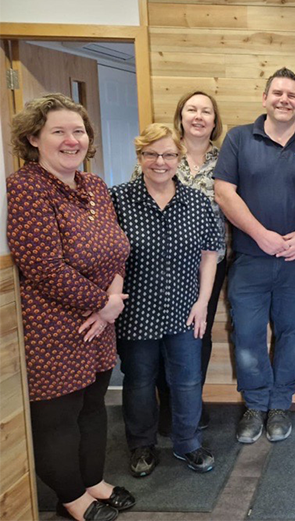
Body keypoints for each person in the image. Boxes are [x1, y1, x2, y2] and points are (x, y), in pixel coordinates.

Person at [7, 94, 134, 521]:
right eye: (58, 131)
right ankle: (71, 497)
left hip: (101, 321)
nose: (71, 140)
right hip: (55, 325)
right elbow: (43, 266)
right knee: (58, 416)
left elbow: (118, 248)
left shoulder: (94, 186)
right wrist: (104, 304)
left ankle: (93, 480)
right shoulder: (25, 188)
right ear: (33, 138)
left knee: (93, 406)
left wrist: (110, 303)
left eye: (77, 131)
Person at [215, 67, 295, 443]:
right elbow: (224, 193)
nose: (284, 100)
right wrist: (260, 234)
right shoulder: (238, 139)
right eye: (277, 93)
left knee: (291, 333)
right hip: (249, 259)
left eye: (292, 95)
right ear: (264, 98)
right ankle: (254, 405)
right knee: (247, 335)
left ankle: (280, 404)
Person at [111, 125, 221, 477]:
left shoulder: (197, 202)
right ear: (140, 157)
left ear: (179, 158)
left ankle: (187, 443)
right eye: (152, 154)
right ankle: (142, 445)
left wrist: (203, 302)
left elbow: (209, 255)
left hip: (185, 308)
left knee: (187, 380)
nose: (160, 162)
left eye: (169, 154)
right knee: (139, 380)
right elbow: (109, 255)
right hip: (136, 309)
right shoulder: (118, 200)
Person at [132, 91, 228, 434]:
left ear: (215, 121)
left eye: (206, 111)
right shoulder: (160, 151)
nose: (199, 116)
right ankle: (167, 408)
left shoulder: (226, 157)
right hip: (157, 262)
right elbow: (136, 202)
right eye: (192, 110)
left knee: (195, 334)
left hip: (209, 261)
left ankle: (190, 407)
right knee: (156, 336)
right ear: (181, 116)